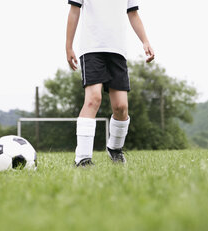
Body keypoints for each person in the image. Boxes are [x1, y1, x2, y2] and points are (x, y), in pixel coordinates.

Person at [66, 0, 155, 166]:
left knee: (121, 107)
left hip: (117, 51)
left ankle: (114, 148)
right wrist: (68, 46)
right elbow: (74, 11)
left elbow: (133, 14)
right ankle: (82, 159)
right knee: (93, 99)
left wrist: (145, 41)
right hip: (92, 49)